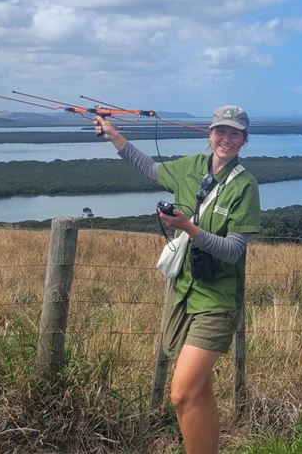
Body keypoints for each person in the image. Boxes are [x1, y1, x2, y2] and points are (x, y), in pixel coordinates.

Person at [95, 105, 260, 454]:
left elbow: (233, 251)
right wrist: (113, 136)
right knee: (199, 391)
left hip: (217, 299)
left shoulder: (245, 185)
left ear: (244, 140)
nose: (226, 139)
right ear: (209, 134)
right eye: (220, 131)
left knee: (181, 392)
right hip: (183, 291)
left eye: (234, 133)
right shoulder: (191, 168)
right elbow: (150, 168)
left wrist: (188, 227)